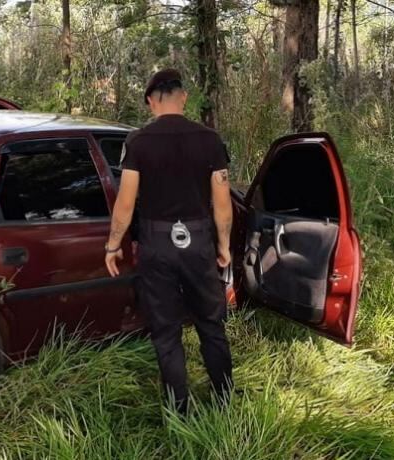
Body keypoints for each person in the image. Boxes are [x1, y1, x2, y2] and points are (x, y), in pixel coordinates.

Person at [104, 69, 234, 413]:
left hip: (157, 243)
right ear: (184, 97)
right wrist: (224, 246)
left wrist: (113, 245)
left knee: (166, 330)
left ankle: (180, 411)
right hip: (199, 242)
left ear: (151, 101)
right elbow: (222, 202)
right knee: (210, 322)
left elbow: (126, 202)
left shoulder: (138, 141)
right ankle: (224, 401)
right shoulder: (209, 139)